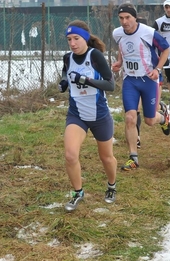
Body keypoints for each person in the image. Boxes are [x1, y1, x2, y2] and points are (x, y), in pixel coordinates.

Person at [58, 20, 117, 211]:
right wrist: (64, 82)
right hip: (77, 115)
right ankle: (78, 192)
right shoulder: (68, 57)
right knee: (70, 155)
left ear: (85, 38)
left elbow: (111, 85)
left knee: (106, 157)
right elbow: (66, 73)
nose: (72, 43)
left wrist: (85, 80)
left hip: (99, 114)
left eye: (76, 38)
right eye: (69, 39)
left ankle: (111, 185)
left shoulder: (95, 56)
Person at [112, 3, 170, 171]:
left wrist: (157, 69)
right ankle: (133, 158)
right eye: (121, 18)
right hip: (130, 80)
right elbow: (122, 48)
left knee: (150, 120)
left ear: (134, 17)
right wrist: (120, 62)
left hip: (149, 80)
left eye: (128, 18)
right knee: (130, 117)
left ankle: (163, 118)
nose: (124, 22)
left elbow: (166, 49)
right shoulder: (117, 33)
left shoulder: (148, 32)